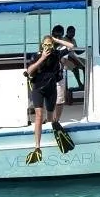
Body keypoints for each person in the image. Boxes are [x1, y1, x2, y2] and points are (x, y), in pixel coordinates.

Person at [24, 30, 74, 161]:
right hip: (38, 89)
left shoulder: (57, 54)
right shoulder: (37, 56)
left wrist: (56, 40)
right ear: (42, 45)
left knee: (51, 118)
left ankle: (54, 134)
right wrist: (42, 58)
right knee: (39, 115)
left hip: (51, 90)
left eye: (49, 45)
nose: (47, 48)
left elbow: (71, 47)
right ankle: (37, 147)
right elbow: (29, 70)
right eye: (45, 45)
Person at [61, 25, 86, 103]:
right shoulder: (64, 40)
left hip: (73, 57)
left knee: (86, 65)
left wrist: (85, 49)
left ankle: (85, 84)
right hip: (64, 59)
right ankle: (79, 84)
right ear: (67, 32)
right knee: (74, 67)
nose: (72, 34)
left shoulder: (74, 40)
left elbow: (76, 51)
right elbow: (65, 53)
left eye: (74, 32)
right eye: (71, 32)